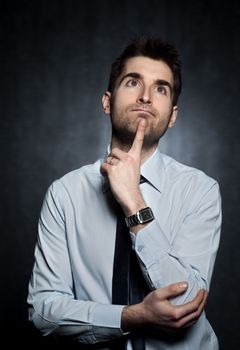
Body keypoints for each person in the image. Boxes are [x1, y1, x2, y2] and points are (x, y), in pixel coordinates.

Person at [27, 37, 222, 349]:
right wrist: (132, 316)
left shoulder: (200, 190)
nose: (145, 96)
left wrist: (134, 202)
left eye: (160, 88)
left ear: (172, 117)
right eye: (133, 82)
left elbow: (187, 303)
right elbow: (43, 311)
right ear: (107, 102)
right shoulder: (64, 194)